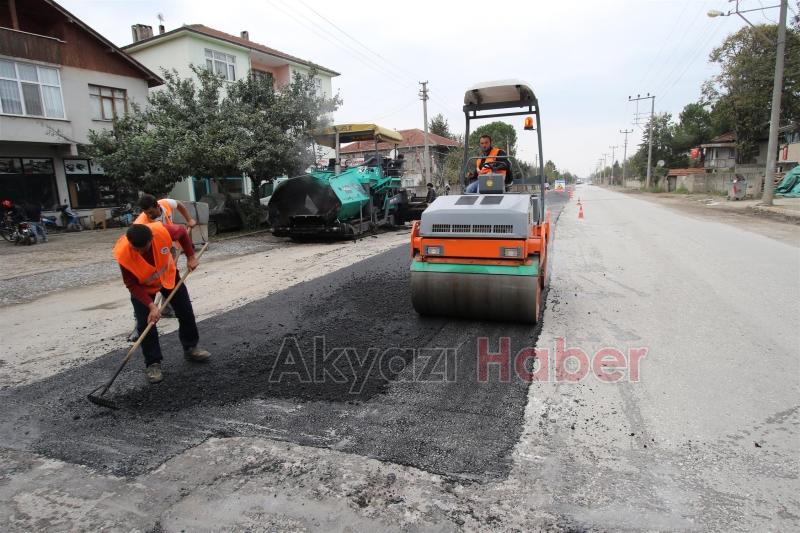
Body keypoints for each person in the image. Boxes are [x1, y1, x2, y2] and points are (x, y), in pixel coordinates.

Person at [114, 222, 210, 384]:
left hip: (168, 277)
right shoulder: (123, 254)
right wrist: (151, 306)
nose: (139, 252)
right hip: (143, 287)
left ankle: (191, 348)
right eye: (136, 249)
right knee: (146, 323)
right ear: (130, 243)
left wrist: (191, 257)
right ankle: (153, 363)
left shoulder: (162, 232)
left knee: (185, 311)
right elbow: (131, 284)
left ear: (151, 239)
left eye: (143, 248)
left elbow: (182, 232)